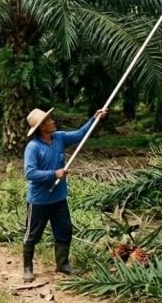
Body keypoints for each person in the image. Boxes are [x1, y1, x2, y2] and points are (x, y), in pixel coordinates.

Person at [22, 107, 108, 283]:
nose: (53, 121)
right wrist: (54, 174)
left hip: (59, 198)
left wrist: (94, 118)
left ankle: (62, 264)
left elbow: (80, 134)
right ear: (41, 127)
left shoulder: (59, 138)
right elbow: (30, 173)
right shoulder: (33, 147)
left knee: (64, 231)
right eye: (48, 120)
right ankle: (27, 268)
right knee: (32, 235)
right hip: (39, 201)